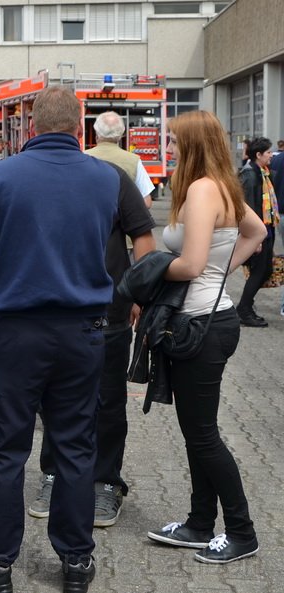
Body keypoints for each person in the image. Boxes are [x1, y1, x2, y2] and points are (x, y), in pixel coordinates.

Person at [0, 86, 123, 593]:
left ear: (31, 127)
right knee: (75, 447)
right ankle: (76, 561)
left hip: (15, 334)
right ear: (79, 125)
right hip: (83, 334)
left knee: (3, 447)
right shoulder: (104, 179)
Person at [144, 110, 265, 564]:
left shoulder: (200, 189)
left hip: (200, 326)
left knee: (204, 436)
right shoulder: (222, 185)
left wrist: (147, 271)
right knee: (197, 433)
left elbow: (191, 265)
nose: (169, 150)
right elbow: (257, 232)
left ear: (192, 144)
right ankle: (199, 523)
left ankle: (242, 531)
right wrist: (222, 271)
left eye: (174, 143)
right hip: (208, 321)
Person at [28, 123, 157, 526]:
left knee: (108, 402)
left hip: (109, 311)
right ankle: (54, 474)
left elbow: (144, 238)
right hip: (52, 310)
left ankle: (105, 483)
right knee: (53, 400)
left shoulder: (113, 178)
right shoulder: (33, 178)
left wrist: (137, 291)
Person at [235, 136, 277, 327]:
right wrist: (255, 238)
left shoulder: (262, 172)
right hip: (257, 233)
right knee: (259, 271)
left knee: (265, 270)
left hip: (266, 230)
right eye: (268, 152)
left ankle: (246, 307)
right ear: (258, 154)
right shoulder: (250, 175)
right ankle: (244, 310)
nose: (271, 155)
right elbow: (248, 207)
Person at [86, 111, 155, 208]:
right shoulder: (133, 161)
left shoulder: (82, 157)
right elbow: (146, 202)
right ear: (120, 135)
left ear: (96, 133)